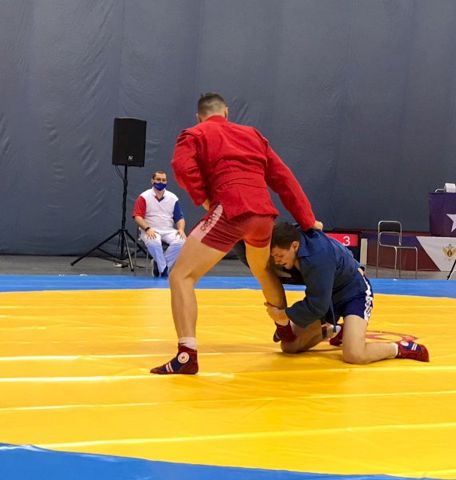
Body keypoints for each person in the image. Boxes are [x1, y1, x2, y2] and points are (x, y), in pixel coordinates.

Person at [151, 93, 322, 374]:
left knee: (180, 276)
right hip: (263, 215)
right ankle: (286, 332)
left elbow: (182, 168)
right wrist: (307, 219)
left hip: (231, 209)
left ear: (199, 117)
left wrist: (204, 198)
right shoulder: (253, 134)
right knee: (262, 271)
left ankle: (186, 355)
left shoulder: (193, 134)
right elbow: (283, 178)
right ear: (227, 113)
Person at [266, 222, 429, 364]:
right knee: (289, 347)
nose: (277, 261)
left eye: (280, 256)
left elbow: (317, 305)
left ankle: (400, 348)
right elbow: (318, 228)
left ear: (295, 246)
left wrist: (285, 315)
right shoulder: (291, 235)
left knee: (354, 355)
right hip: (329, 294)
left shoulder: (317, 258)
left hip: (354, 292)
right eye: (274, 256)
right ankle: (337, 330)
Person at [133, 171, 186, 277]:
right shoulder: (144, 196)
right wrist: (147, 228)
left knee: (182, 241)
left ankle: (159, 264)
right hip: (150, 229)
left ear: (166, 181)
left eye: (163, 180)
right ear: (152, 181)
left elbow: (180, 218)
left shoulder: (173, 198)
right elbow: (137, 216)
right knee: (154, 241)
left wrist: (181, 229)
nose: (161, 182)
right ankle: (164, 270)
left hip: (168, 230)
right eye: (158, 179)